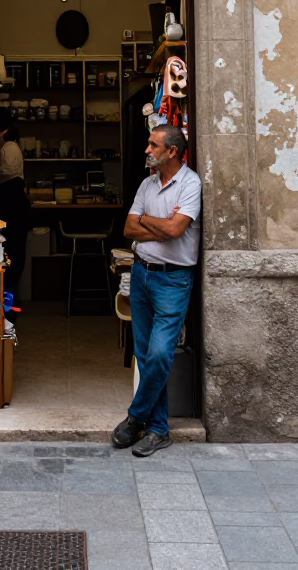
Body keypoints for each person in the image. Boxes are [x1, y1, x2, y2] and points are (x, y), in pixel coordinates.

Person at [111, 123, 201, 457]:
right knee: (146, 354)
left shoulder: (190, 184)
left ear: (172, 152)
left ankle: (136, 418)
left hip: (173, 280)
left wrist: (150, 222)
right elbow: (128, 227)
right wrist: (158, 226)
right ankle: (158, 429)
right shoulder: (147, 184)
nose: (146, 150)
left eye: (153, 145)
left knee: (161, 353)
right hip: (141, 274)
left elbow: (177, 230)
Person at [0, 106, 30, 298]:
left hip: (13, 212)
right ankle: (7, 304)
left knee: (12, 260)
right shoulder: (10, 148)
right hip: (16, 210)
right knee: (14, 260)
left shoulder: (9, 149)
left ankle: (7, 306)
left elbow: (4, 177)